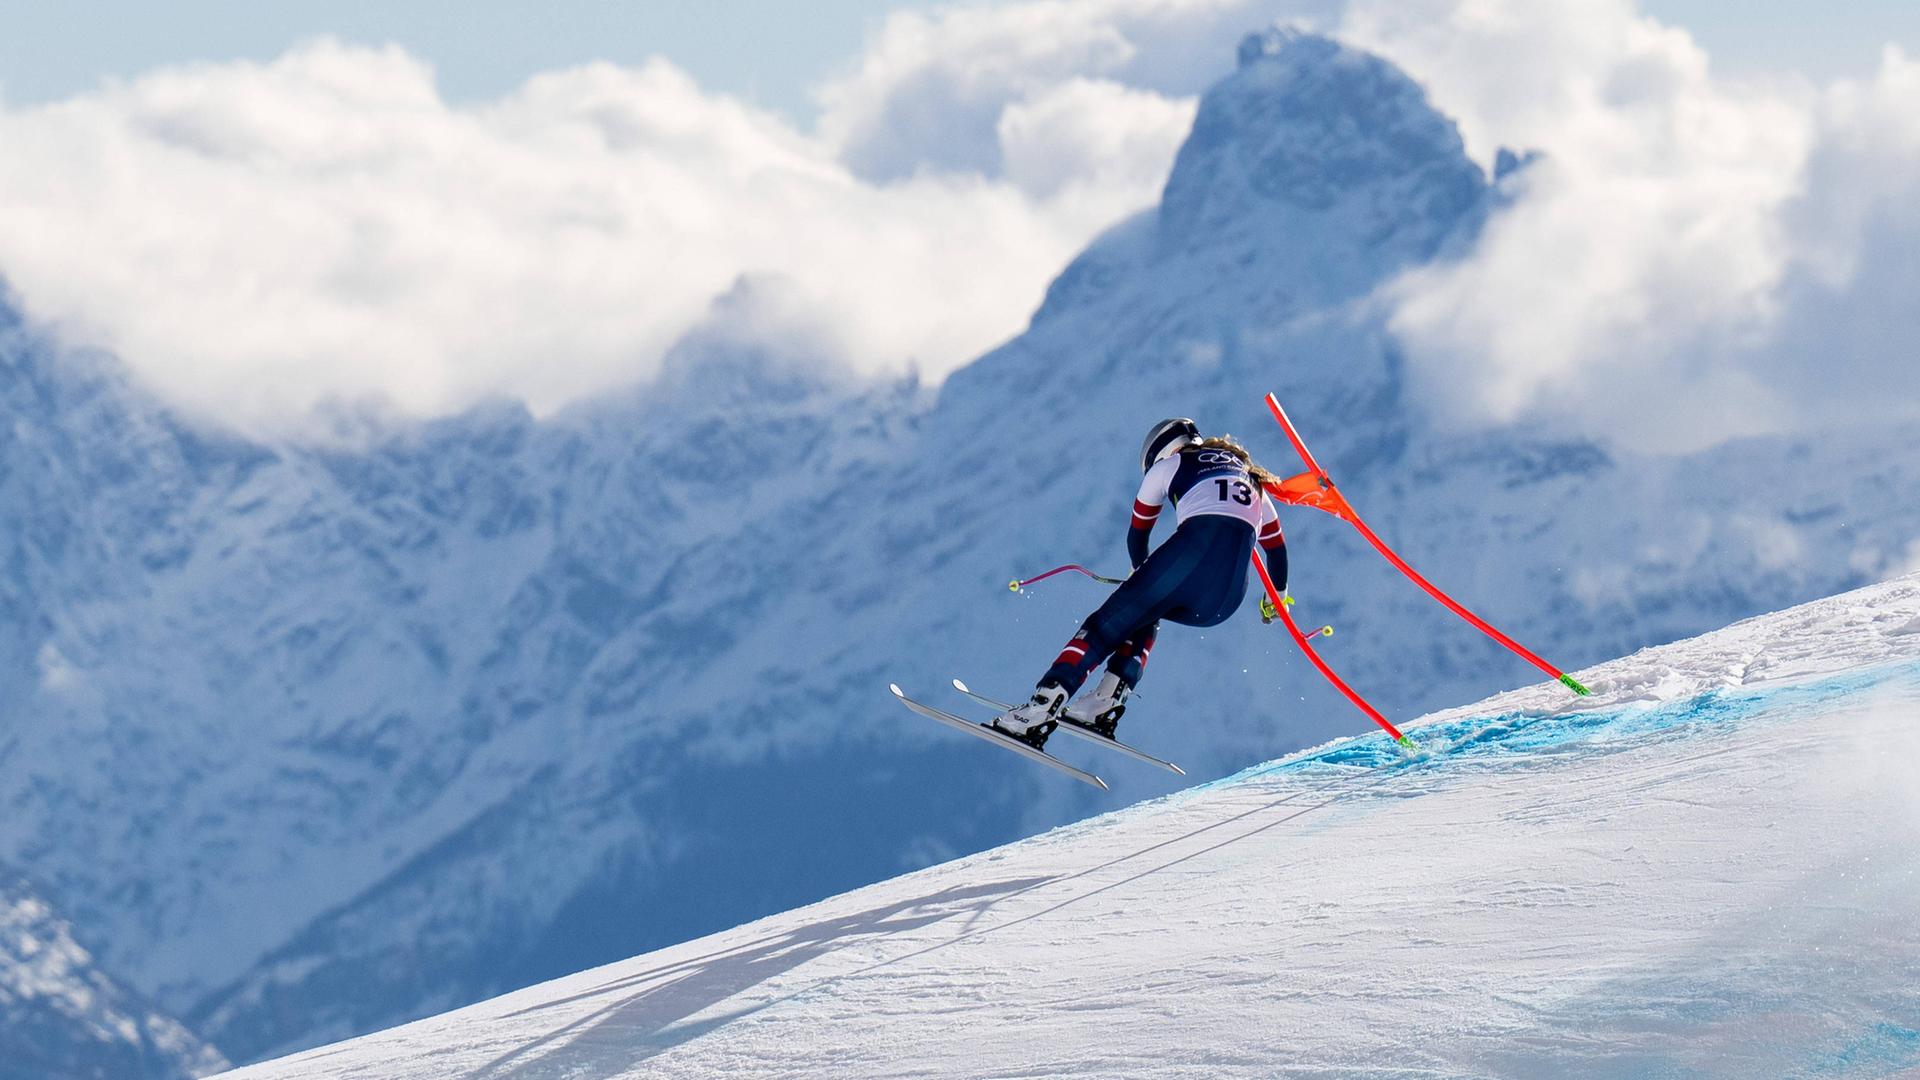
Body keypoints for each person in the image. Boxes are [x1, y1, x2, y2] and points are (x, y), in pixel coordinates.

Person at [991, 418, 1289, 748]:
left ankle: (1038, 711)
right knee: (1145, 610)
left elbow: (1138, 532)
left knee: (1104, 626)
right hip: (1226, 601)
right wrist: (1275, 601)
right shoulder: (1252, 481)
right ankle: (1105, 703)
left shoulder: (1172, 464)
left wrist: (1140, 576)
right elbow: (1277, 551)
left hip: (1189, 559)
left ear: (1160, 452)